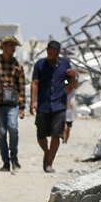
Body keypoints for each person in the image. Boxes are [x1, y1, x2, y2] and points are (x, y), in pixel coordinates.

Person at [32, 40, 79, 173]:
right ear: (47, 52)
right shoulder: (40, 65)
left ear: (59, 53)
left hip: (59, 104)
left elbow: (73, 85)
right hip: (43, 104)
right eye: (50, 54)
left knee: (56, 135)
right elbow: (35, 83)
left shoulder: (65, 64)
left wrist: (74, 75)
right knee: (41, 135)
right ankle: (47, 153)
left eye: (55, 54)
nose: (52, 57)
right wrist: (32, 102)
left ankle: (49, 164)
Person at [0, 34, 26, 172]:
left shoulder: (17, 66)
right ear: (3, 47)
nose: (12, 48)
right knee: (2, 133)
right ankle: (5, 161)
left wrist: (22, 107)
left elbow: (21, 87)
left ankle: (14, 157)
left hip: (12, 104)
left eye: (14, 45)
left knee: (13, 128)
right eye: (10, 45)